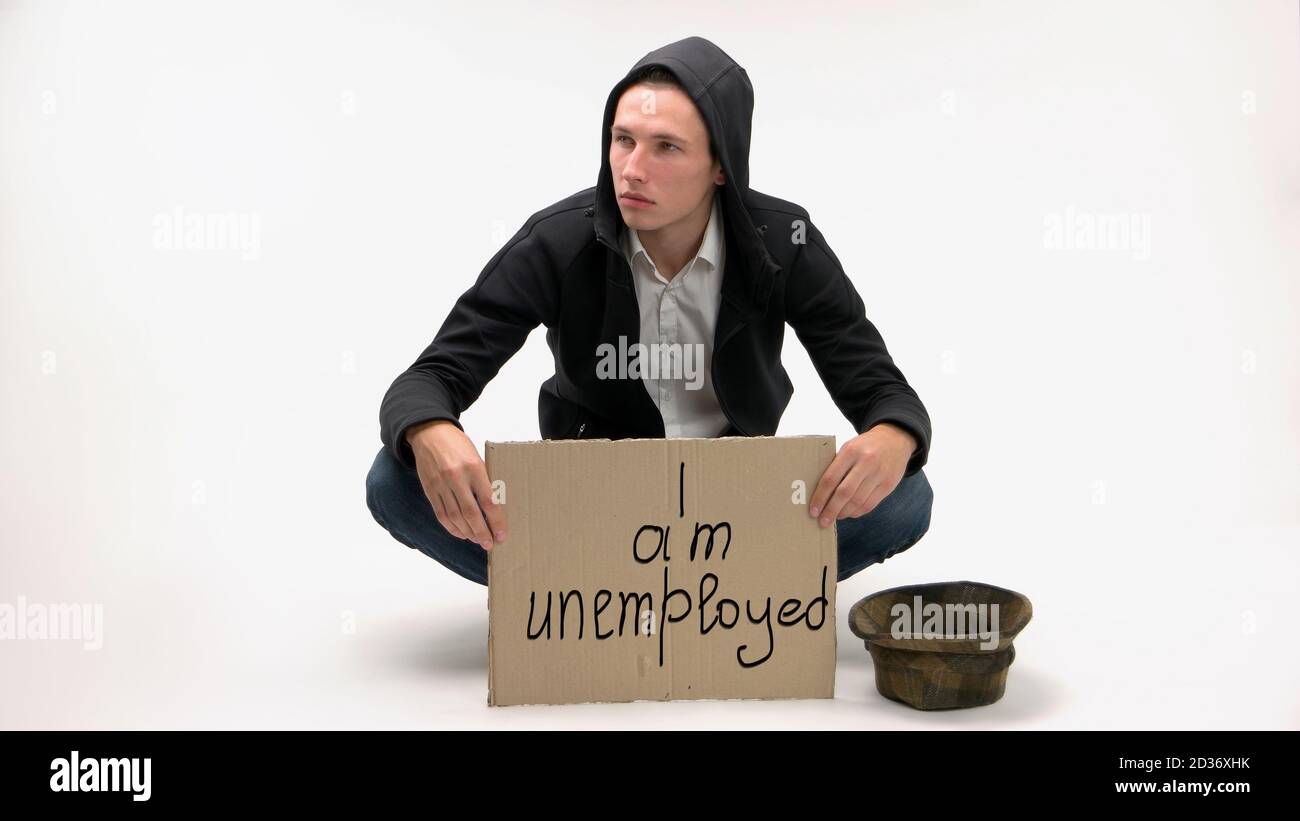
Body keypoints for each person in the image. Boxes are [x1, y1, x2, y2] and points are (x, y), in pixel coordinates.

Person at [366, 36, 934, 586]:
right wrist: (432, 428)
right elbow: (430, 377)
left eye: (666, 146)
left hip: (733, 504)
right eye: (622, 140)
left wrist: (891, 437)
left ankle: (710, 595)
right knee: (395, 477)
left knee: (907, 493)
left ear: (721, 166)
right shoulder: (556, 241)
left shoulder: (785, 242)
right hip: (593, 503)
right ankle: (590, 594)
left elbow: (881, 388)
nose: (632, 169)